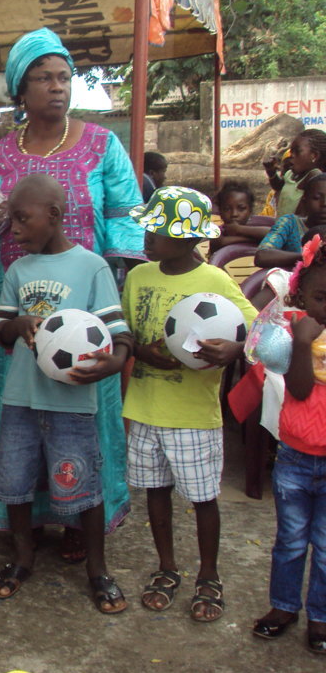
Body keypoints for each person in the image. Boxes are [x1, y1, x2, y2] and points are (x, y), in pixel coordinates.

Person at [0, 27, 143, 563]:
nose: (57, 88)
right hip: (18, 313)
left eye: (64, 77)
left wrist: (116, 291)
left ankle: (83, 519)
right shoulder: (0, 156)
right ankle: (26, 521)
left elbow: (124, 218)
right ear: (21, 90)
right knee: (15, 416)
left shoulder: (103, 145)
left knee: (82, 414)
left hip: (85, 313)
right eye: (43, 78)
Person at [0, 176, 130, 613]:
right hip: (20, 400)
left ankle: (98, 569)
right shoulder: (18, 271)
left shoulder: (91, 268)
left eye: (23, 219)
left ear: (54, 215)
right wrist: (18, 324)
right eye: (11, 221)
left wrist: (115, 360)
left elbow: (119, 332)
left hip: (71, 403)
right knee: (14, 481)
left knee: (82, 481)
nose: (15, 229)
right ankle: (22, 558)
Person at [123, 187, 256, 622]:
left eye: (155, 230)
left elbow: (255, 332)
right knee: (155, 493)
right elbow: (127, 335)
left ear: (184, 238)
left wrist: (232, 351)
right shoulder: (139, 277)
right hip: (144, 408)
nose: (146, 238)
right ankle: (166, 568)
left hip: (194, 414)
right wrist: (142, 353)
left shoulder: (214, 281)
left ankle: (209, 575)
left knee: (202, 499)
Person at [251, 235, 326, 653]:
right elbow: (297, 391)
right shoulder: (295, 334)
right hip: (296, 458)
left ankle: (321, 617)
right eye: (321, 297)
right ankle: (283, 606)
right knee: (291, 539)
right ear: (301, 295)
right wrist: (301, 343)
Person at [256, 173, 326, 269]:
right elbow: (262, 256)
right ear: (304, 200)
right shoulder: (289, 223)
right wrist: (307, 256)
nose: (324, 204)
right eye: (317, 198)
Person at [267, 129, 326, 217]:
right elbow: (278, 187)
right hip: (283, 226)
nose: (291, 155)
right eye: (291, 152)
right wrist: (271, 172)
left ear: (314, 156)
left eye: (297, 151)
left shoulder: (314, 177)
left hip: (295, 228)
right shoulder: (291, 174)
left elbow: (301, 215)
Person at [209, 180, 271, 254]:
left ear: (250, 211)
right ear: (220, 211)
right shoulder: (218, 232)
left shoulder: (255, 229)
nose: (234, 214)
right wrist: (257, 239)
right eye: (227, 209)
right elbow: (220, 242)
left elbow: (273, 233)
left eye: (241, 209)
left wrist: (239, 229)